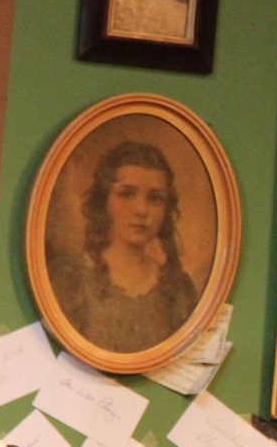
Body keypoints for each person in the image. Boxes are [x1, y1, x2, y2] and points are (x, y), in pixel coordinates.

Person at [51, 139, 197, 354]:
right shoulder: (71, 278)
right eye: (127, 194)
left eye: (155, 198)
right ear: (104, 201)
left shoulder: (178, 289)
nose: (141, 210)